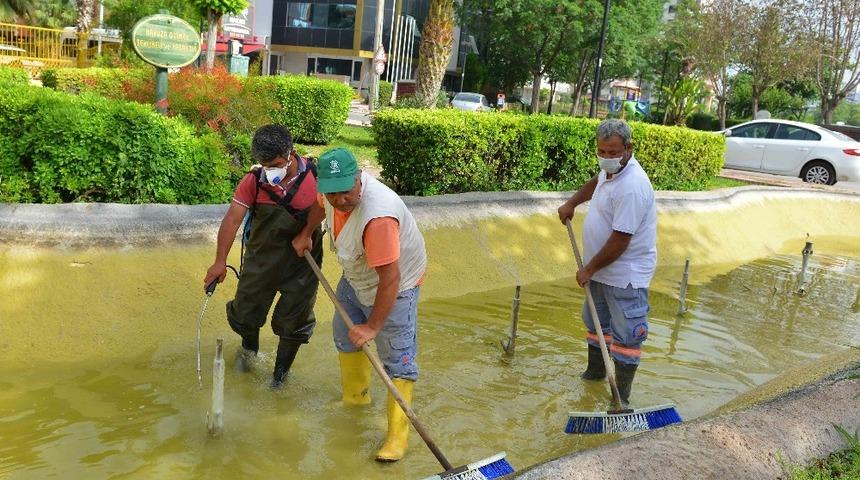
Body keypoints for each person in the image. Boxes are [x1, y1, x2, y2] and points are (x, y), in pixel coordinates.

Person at [315, 147, 427, 462]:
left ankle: (397, 436)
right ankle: (355, 400)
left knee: (397, 359)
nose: (337, 200)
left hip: (396, 285)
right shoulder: (329, 191)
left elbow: (390, 279)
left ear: (358, 178)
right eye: (331, 193)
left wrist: (373, 326)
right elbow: (317, 207)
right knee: (345, 336)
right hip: (357, 276)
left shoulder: (378, 217)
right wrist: (303, 233)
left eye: (344, 191)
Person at [203, 124, 324, 389]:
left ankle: (279, 376)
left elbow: (324, 206)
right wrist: (219, 261)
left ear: (291, 153)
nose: (271, 171)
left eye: (277, 164)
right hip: (262, 259)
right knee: (246, 310)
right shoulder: (254, 181)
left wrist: (306, 232)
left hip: (302, 261)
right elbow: (233, 219)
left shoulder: (316, 176)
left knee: (295, 320)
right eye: (265, 165)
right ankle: (248, 352)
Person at [557, 118, 657, 406]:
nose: (608, 158)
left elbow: (620, 241)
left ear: (628, 148)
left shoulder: (633, 186)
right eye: (602, 151)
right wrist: (572, 203)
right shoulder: (610, 172)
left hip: (624, 275)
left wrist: (588, 269)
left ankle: (620, 399)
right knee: (596, 324)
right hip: (600, 271)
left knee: (627, 336)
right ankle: (594, 375)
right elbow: (596, 183)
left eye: (614, 152)